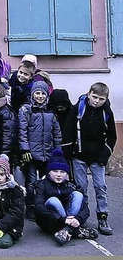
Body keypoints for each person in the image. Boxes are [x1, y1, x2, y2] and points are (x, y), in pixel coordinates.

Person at [62, 82, 116, 235]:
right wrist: (68, 153)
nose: (97, 101)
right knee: (81, 188)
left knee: (100, 187)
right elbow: (68, 130)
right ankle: (82, 216)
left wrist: (104, 155)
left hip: (97, 157)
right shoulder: (78, 108)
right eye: (95, 97)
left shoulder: (107, 112)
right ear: (88, 94)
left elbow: (112, 136)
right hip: (79, 156)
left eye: (101, 99)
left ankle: (102, 217)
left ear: (106, 99)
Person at [33, 149, 98, 246]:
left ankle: (66, 231)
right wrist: (63, 219)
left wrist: (78, 219)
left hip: (68, 218)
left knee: (78, 195)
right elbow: (38, 207)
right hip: (50, 222)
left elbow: (85, 208)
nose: (59, 175)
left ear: (67, 174)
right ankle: (76, 231)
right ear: (48, 172)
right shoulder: (42, 185)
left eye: (62, 172)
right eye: (55, 171)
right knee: (53, 200)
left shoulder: (71, 186)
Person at [18, 81, 61, 220]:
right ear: (32, 94)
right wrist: (25, 149)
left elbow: (56, 133)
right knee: (31, 182)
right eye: (37, 93)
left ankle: (42, 206)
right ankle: (30, 205)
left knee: (46, 181)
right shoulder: (26, 110)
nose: (40, 96)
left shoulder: (50, 111)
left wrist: (58, 151)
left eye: (43, 93)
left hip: (47, 152)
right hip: (31, 153)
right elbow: (22, 131)